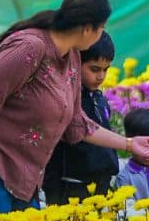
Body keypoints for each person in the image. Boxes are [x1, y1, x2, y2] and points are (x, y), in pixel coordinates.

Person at [0, 0, 149, 216]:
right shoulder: (30, 47)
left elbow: (78, 123)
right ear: (88, 28)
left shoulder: (73, 56)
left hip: (25, 180)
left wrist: (130, 144)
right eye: (102, 27)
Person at [41, 31, 120, 204]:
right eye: (94, 69)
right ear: (76, 63)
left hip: (100, 183)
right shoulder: (67, 99)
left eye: (106, 70)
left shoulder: (98, 98)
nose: (101, 76)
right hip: (70, 186)